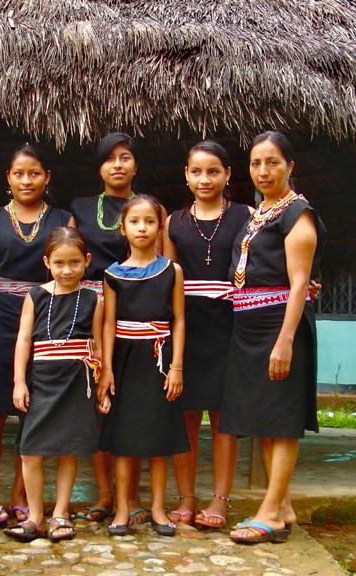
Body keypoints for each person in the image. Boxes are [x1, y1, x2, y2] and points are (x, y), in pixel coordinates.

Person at [221, 132, 324, 545]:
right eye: (256, 163)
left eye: (273, 163)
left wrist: (285, 340)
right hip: (248, 324)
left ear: (290, 167)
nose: (263, 171)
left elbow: (299, 284)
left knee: (281, 421)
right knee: (265, 420)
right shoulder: (256, 213)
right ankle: (281, 509)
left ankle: (268, 511)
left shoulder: (297, 214)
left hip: (279, 325)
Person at [0, 144, 72, 527]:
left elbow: (68, 273)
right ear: (7, 178)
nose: (26, 180)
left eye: (34, 173)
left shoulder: (64, 220)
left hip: (46, 317)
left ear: (47, 177)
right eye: (18, 173)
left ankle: (20, 495)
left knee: (34, 409)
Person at [163, 141, 251, 528]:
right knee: (184, 415)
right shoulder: (173, 223)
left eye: (213, 171)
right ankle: (184, 496)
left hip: (230, 324)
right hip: (187, 326)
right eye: (196, 171)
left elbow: (262, 265)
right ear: (186, 174)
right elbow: (166, 279)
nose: (204, 179)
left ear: (228, 174)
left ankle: (219, 499)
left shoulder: (247, 216)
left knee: (222, 417)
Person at [4, 227, 105, 543]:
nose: (67, 270)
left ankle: (60, 514)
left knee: (68, 449)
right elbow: (23, 340)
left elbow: (98, 345)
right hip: (42, 380)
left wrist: (101, 385)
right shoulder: (35, 297)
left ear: (86, 261)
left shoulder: (93, 299)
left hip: (77, 381)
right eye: (59, 263)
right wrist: (20, 381)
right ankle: (35, 515)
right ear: (47, 262)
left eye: (74, 262)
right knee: (30, 450)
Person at [98, 195, 189, 537]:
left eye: (149, 221)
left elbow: (178, 321)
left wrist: (177, 366)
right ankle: (122, 508)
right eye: (134, 221)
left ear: (160, 227)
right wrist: (106, 367)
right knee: (123, 437)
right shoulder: (112, 274)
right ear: (123, 228)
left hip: (159, 361)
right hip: (123, 360)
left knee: (158, 435)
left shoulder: (172, 271)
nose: (142, 227)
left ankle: (158, 509)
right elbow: (108, 324)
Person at [69, 132, 147, 525]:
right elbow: (65, 257)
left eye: (126, 157)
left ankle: (130, 497)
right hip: (90, 315)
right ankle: (103, 494)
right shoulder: (81, 208)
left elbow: (163, 266)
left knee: (131, 407)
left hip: (135, 314)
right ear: (99, 167)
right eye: (109, 158)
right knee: (98, 404)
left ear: (136, 165)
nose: (118, 165)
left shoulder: (149, 209)